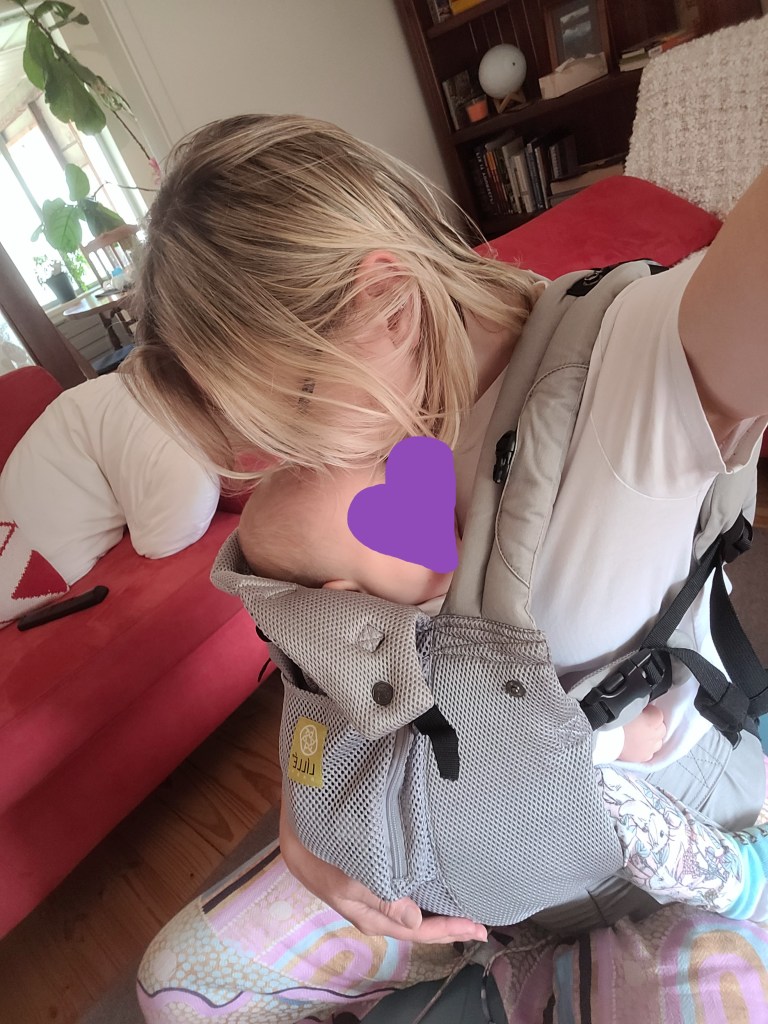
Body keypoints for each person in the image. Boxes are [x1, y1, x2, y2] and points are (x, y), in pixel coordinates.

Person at [125, 114, 768, 1023]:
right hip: (449, 857)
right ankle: (501, 966)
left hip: (657, 864)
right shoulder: (330, 501)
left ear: (387, 299)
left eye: (297, 412)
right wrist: (306, 827)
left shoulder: (641, 366)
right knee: (176, 987)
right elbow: (326, 691)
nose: (302, 461)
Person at [235, 464, 768, 922]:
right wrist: (614, 741)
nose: (436, 504)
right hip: (484, 829)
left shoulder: (335, 632)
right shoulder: (420, 662)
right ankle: (730, 878)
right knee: (614, 804)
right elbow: (511, 751)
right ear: (350, 596)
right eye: (400, 519)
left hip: (444, 831)